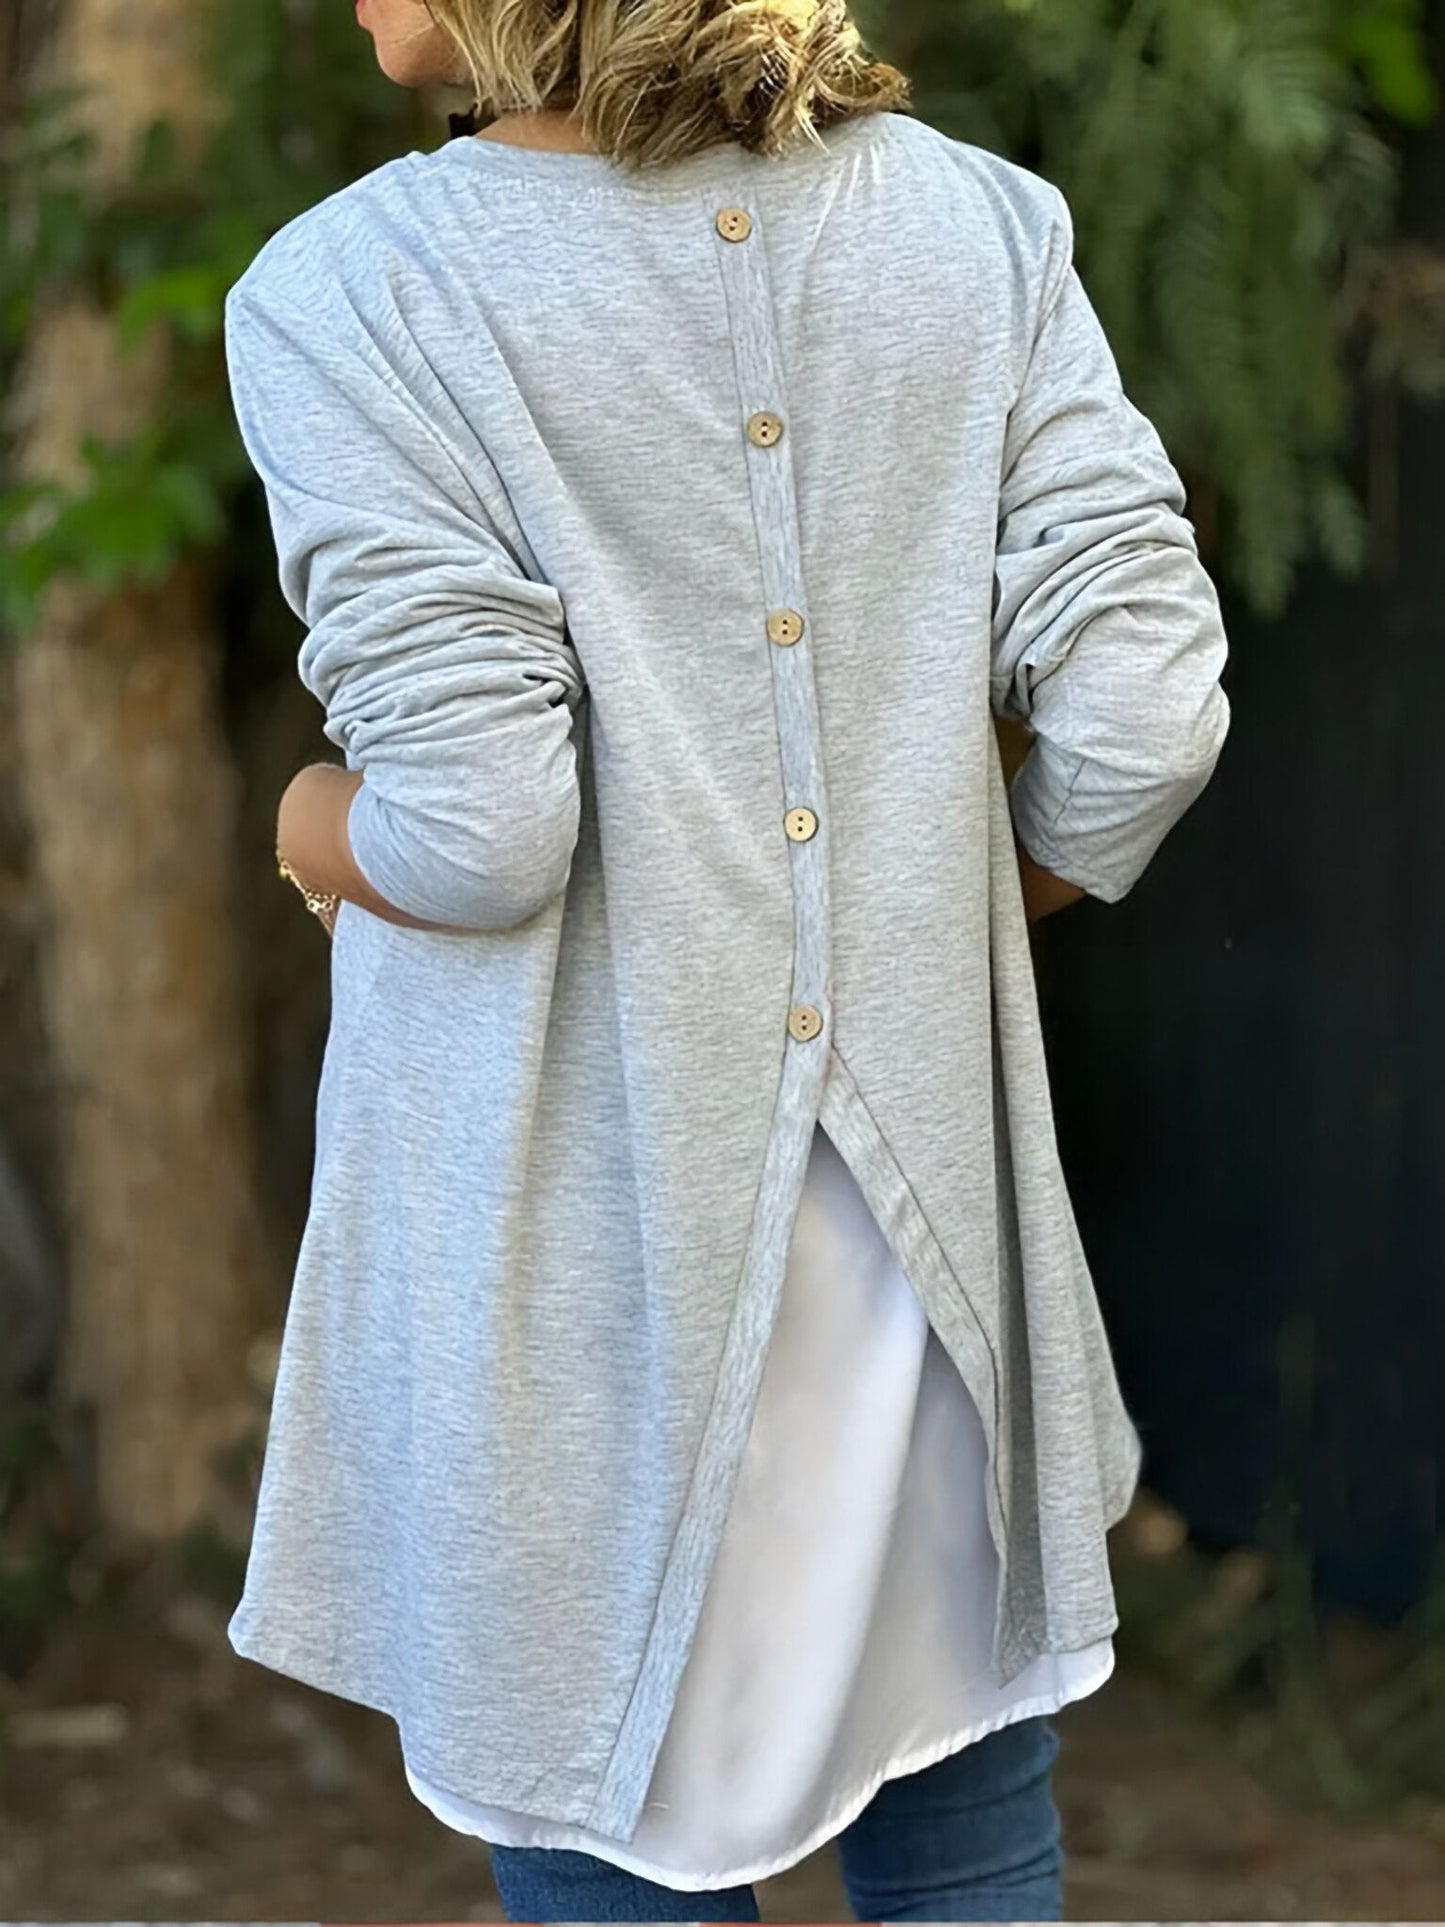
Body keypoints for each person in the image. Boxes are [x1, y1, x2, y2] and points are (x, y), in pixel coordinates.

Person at [223, 0, 1231, 1919]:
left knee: (608, 1841)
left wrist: (303, 827)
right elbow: (1143, 716)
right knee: (967, 1832)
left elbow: (474, 831)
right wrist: (941, 916)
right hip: (917, 1253)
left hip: (581, 1262)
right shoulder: (977, 227)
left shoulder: (357, 289)